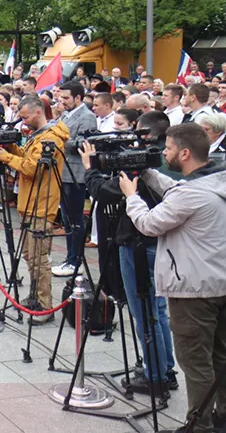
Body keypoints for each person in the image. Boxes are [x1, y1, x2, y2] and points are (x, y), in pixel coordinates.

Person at [121, 123, 226, 432]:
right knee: (220, 356)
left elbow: (149, 223)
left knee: (195, 363)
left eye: (166, 149)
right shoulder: (216, 179)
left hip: (193, 291)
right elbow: (180, 192)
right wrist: (150, 174)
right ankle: (221, 416)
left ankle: (199, 425)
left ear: (184, 153)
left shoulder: (192, 194)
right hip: (219, 281)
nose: (163, 153)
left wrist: (131, 195)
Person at [80, 110, 177, 396]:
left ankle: (155, 376)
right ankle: (164, 368)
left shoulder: (141, 162)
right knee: (157, 310)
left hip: (137, 242)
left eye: (127, 129)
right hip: (158, 243)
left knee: (143, 312)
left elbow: (104, 192)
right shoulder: (159, 161)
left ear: (145, 134)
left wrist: (90, 167)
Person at [0, 95, 69, 322]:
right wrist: (12, 147)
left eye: (24, 117)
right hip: (30, 202)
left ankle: (44, 306)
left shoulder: (52, 138)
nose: (22, 121)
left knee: (38, 257)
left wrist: (6, 157)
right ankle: (35, 295)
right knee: (29, 255)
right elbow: (27, 158)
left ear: (38, 112)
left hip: (41, 204)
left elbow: (33, 168)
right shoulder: (39, 136)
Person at [52, 81, 98, 277]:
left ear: (78, 98)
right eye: (61, 97)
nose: (62, 101)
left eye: (66, 98)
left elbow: (85, 143)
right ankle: (70, 257)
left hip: (76, 173)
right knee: (67, 218)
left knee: (75, 218)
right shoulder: (66, 114)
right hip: (63, 170)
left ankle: (75, 259)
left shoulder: (87, 117)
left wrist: (59, 139)